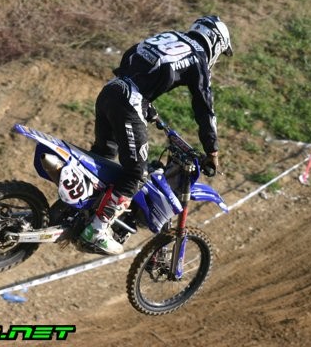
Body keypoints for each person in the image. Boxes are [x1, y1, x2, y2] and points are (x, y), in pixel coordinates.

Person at [80, 15, 233, 255]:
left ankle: (73, 213)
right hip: (129, 101)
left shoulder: (170, 36)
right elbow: (204, 107)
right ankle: (96, 230)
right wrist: (212, 150)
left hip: (111, 89)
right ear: (215, 42)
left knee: (103, 157)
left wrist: (145, 101)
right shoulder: (198, 57)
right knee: (136, 173)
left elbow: (133, 54)